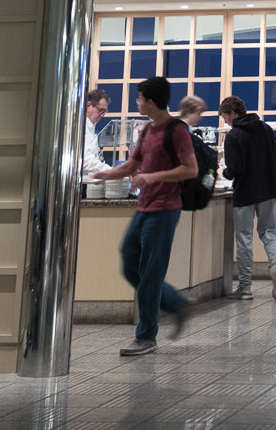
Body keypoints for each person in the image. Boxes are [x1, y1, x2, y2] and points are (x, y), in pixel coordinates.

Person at [91, 76, 200, 356]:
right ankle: (176, 303)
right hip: (144, 207)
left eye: (139, 98)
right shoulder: (148, 131)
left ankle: (146, 337)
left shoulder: (176, 130)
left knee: (150, 273)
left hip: (165, 210)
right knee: (129, 263)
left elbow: (191, 169)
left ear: (150, 102)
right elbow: (132, 165)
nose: (137, 102)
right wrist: (106, 174)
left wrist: (153, 177)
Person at [219, 96, 276, 302]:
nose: (225, 121)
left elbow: (235, 169)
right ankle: (275, 266)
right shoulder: (266, 129)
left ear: (232, 114)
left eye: (225, 117)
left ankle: (245, 288)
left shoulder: (233, 136)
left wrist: (223, 173)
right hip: (268, 191)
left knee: (244, 239)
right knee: (268, 233)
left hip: (245, 192)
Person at [82, 87, 119, 177]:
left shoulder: (91, 127)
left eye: (105, 111)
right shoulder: (81, 127)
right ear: (88, 106)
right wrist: (111, 171)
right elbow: (86, 161)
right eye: (100, 110)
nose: (103, 115)